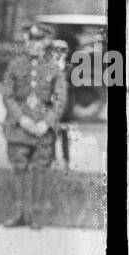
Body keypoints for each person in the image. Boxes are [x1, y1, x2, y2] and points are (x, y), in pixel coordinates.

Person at [1, 21, 66, 229]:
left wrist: (46, 123)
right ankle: (20, 213)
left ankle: (35, 216)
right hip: (19, 127)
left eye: (39, 40)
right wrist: (22, 118)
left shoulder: (54, 69)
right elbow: (8, 95)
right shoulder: (15, 65)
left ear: (47, 42)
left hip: (42, 131)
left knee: (40, 170)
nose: (33, 44)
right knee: (19, 169)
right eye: (30, 40)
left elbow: (60, 98)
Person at [50, 38, 74, 169]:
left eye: (63, 50)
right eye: (56, 50)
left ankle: (66, 161)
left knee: (64, 134)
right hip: (51, 106)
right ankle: (53, 160)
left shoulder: (70, 68)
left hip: (65, 107)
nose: (60, 53)